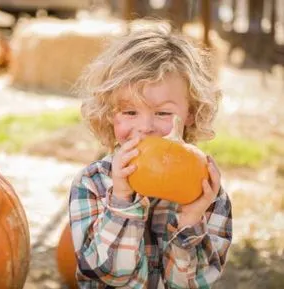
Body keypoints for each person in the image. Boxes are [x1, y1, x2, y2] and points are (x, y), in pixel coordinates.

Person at [69, 23, 232, 289]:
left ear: (190, 112)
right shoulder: (92, 184)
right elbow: (109, 275)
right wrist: (121, 201)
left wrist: (190, 222)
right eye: (130, 112)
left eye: (163, 113)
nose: (145, 127)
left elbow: (192, 284)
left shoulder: (207, 194)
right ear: (111, 115)